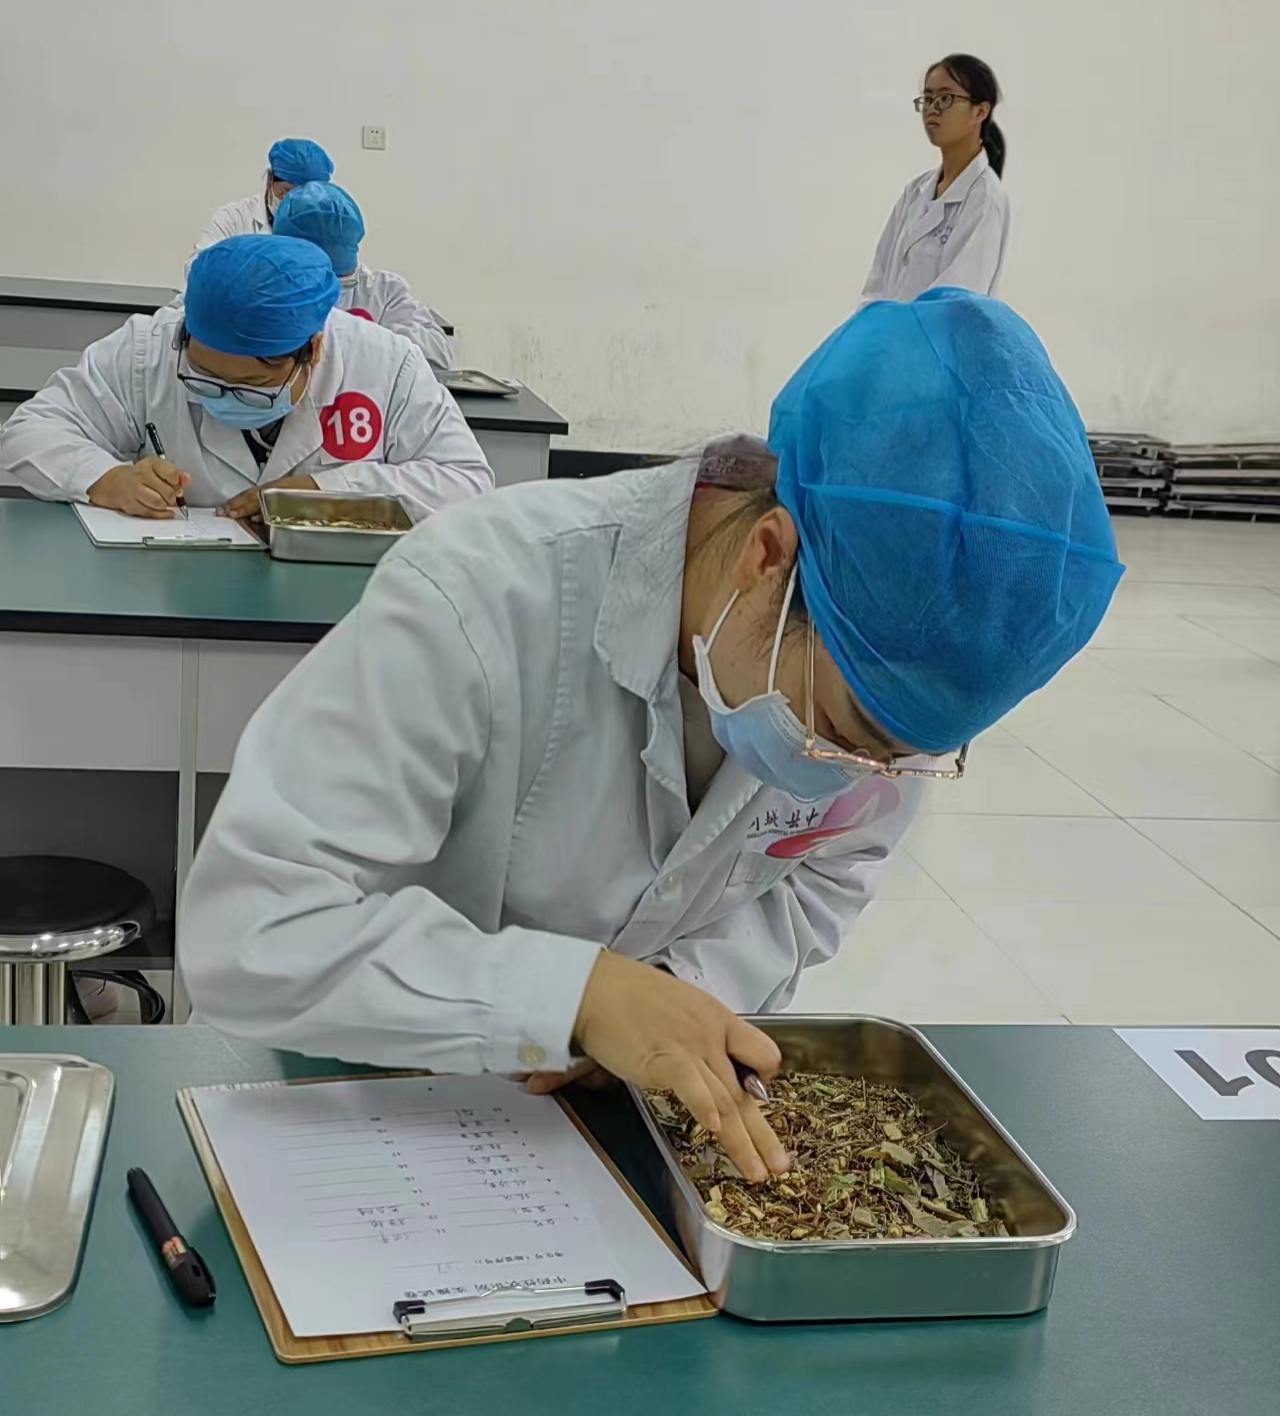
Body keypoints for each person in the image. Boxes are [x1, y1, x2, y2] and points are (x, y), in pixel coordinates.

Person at [180, 290, 1123, 1180]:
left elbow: (822, 881)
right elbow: (250, 933)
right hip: (353, 1105)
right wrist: (576, 997)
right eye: (845, 733)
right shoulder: (480, 596)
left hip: (588, 1144)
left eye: (904, 760)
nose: (860, 778)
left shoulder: (888, 675)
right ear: (768, 558)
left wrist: (674, 994)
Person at [2, 235, 492, 523]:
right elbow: (29, 431)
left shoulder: (386, 364)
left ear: (314, 350)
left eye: (252, 387)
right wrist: (106, 478)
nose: (224, 400)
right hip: (175, 588)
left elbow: (466, 483)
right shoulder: (148, 348)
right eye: (204, 380)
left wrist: (328, 492)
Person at [861, 55, 1010, 305]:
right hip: (893, 331)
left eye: (945, 98)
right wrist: (872, 326)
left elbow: (956, 301)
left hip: (938, 332)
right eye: (928, 99)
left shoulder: (985, 198)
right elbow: (876, 285)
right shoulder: (914, 192)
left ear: (980, 111)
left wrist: (902, 325)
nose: (933, 108)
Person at [273, 182, 455, 374]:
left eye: (344, 280)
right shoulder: (270, 291)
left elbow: (439, 355)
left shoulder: (383, 292)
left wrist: (364, 337)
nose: (332, 292)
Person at [184, 138, 334, 279]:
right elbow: (195, 271)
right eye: (286, 191)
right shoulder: (233, 218)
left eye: (304, 198)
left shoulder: (324, 228)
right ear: (270, 178)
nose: (292, 202)